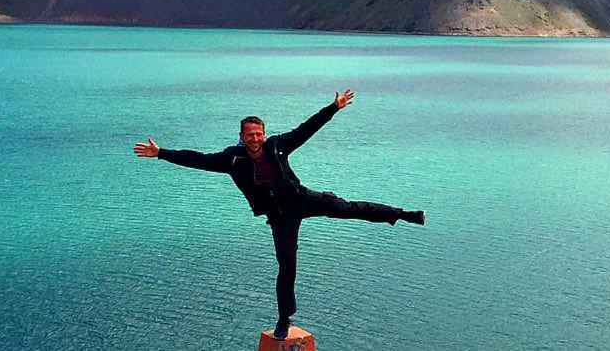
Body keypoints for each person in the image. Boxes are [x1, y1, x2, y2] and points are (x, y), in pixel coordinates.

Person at [133, 89, 425, 340]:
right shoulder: (232, 159)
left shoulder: (278, 145)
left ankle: (403, 214)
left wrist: (333, 108)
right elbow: (198, 159)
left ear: (264, 133)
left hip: (302, 200)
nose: (256, 138)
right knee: (287, 268)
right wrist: (162, 153)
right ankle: (284, 319)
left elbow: (306, 129)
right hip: (279, 218)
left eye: (259, 133)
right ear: (241, 136)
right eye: (250, 135)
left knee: (349, 208)